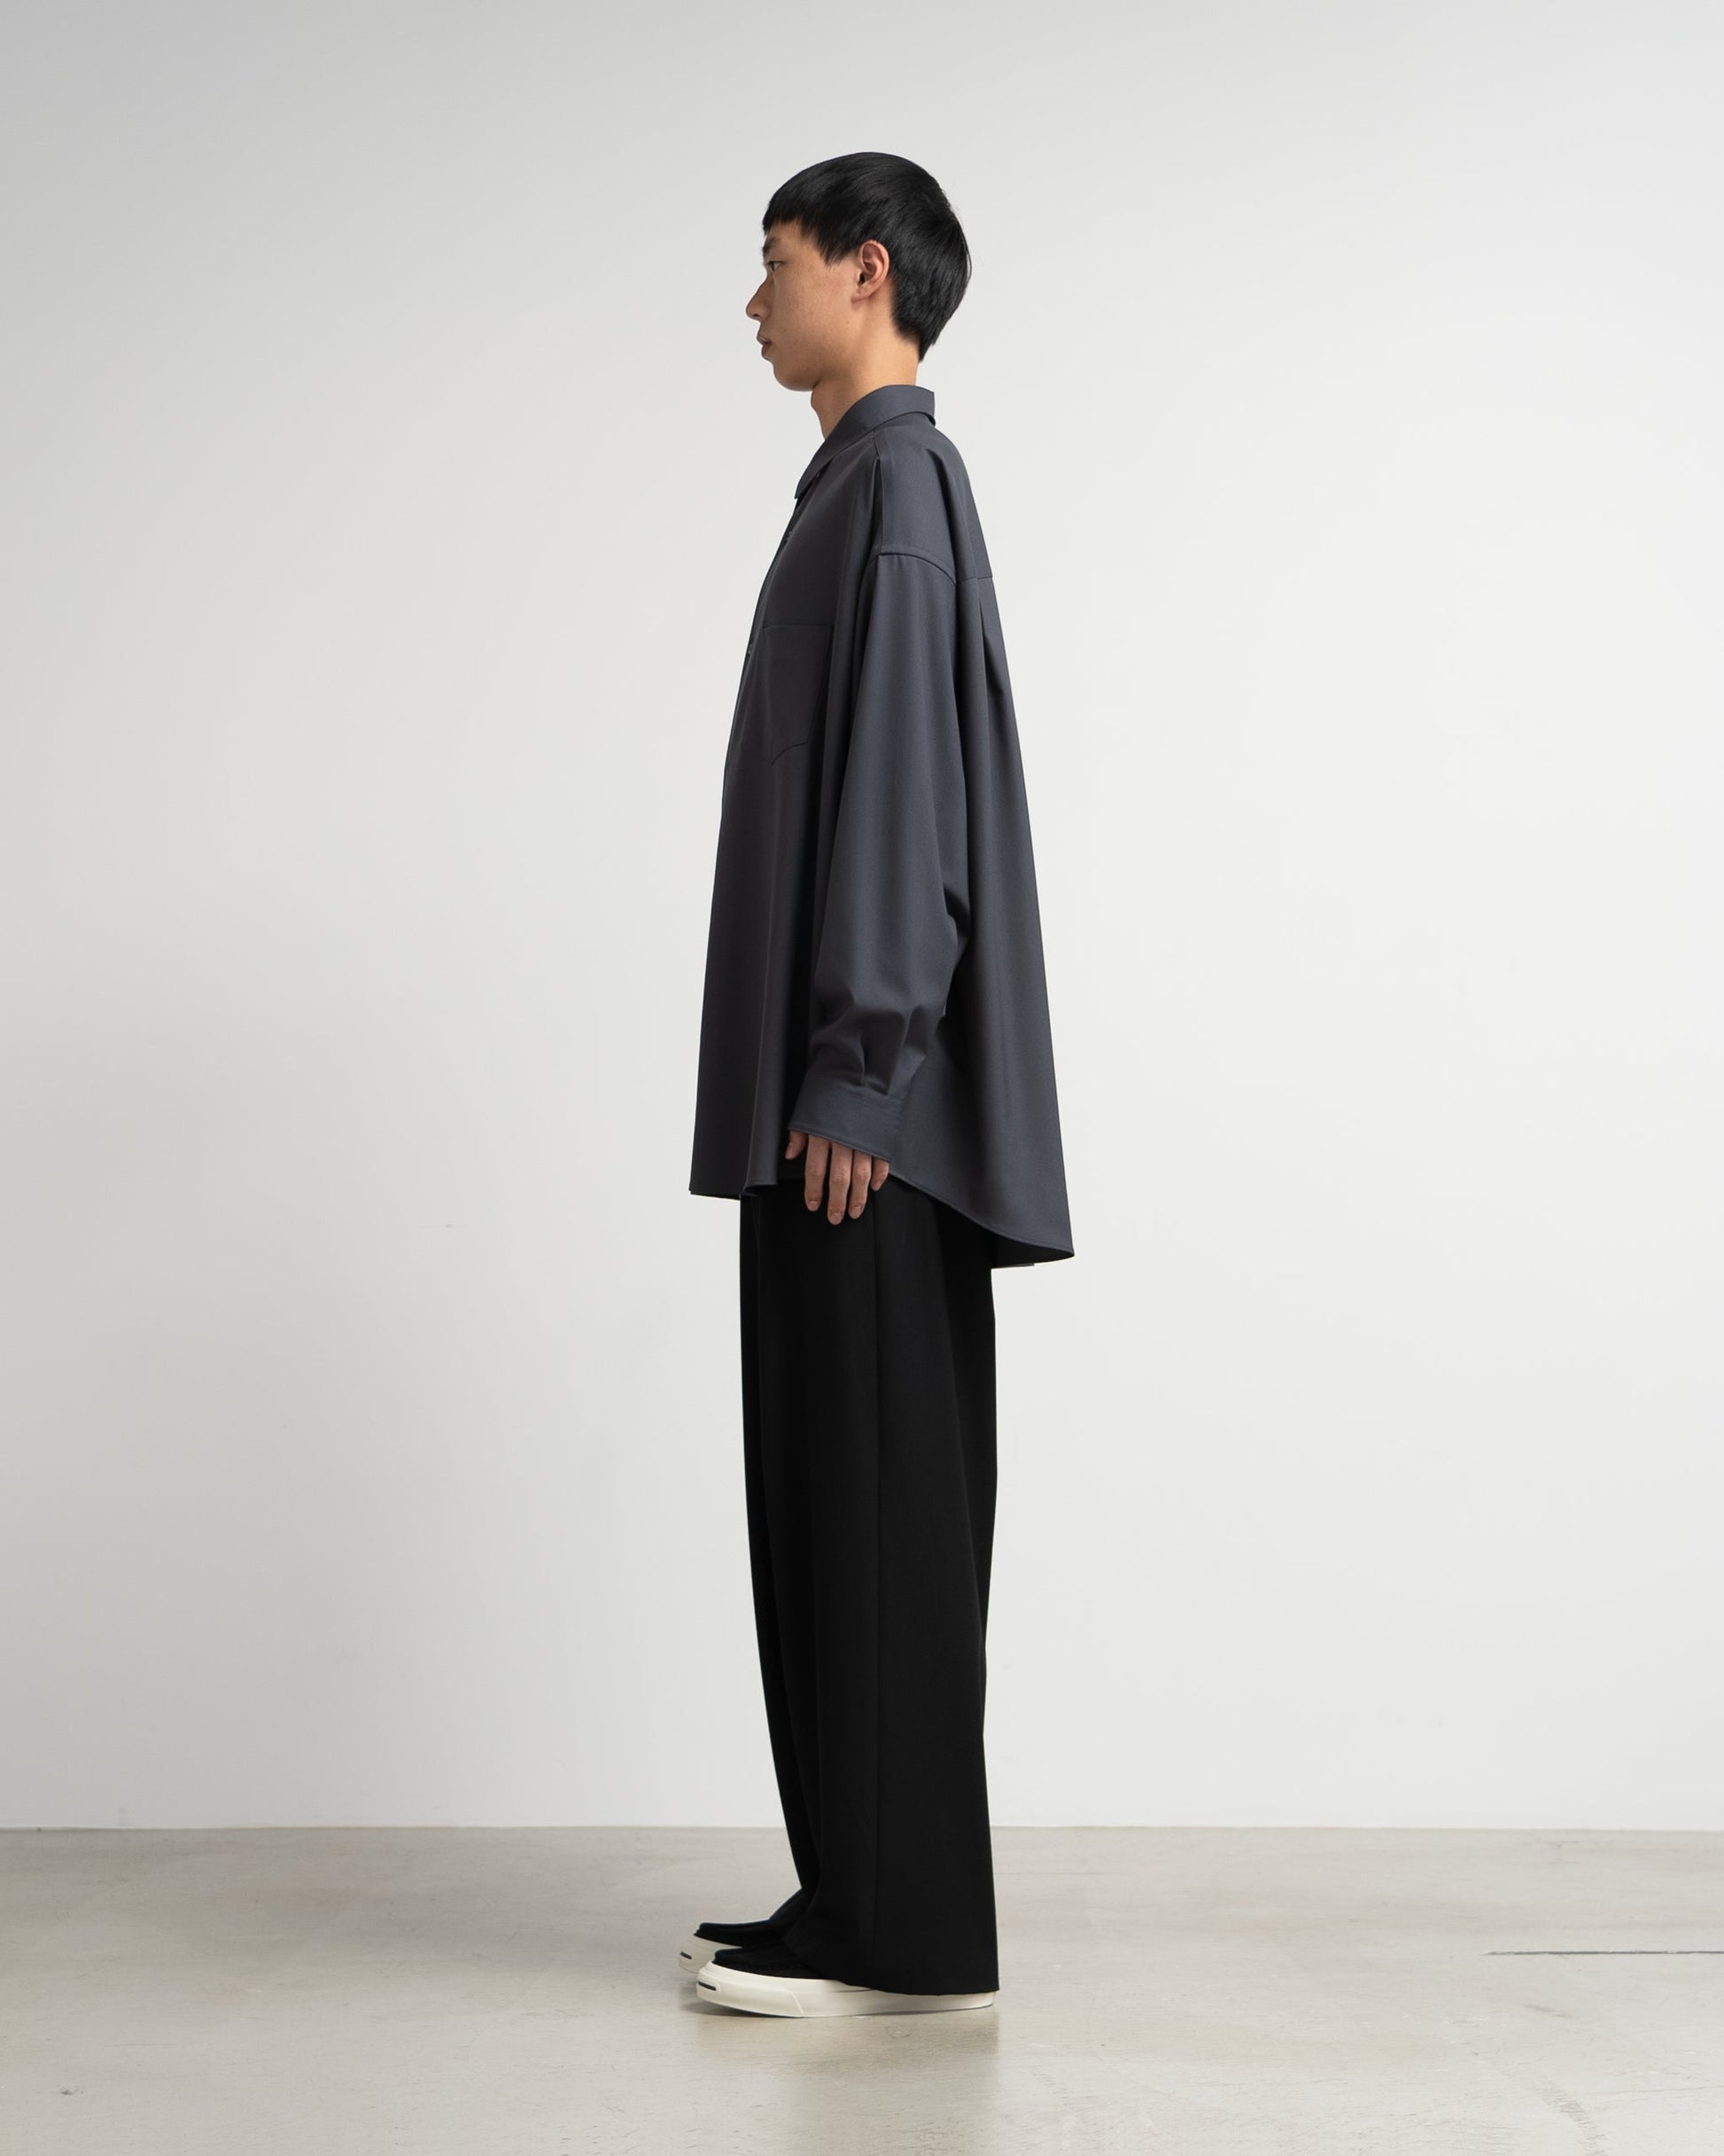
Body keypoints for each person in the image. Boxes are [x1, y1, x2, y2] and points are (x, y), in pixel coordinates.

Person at [685, 151, 1074, 2020]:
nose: (751, 300)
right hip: (827, 1114)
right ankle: (852, 1889)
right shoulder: (857, 491)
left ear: (863, 271)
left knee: (876, 1515)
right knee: (826, 1505)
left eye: (771, 262)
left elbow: (911, 797)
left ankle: (901, 1932)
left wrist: (856, 1068)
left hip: (865, 1126)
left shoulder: (898, 488)